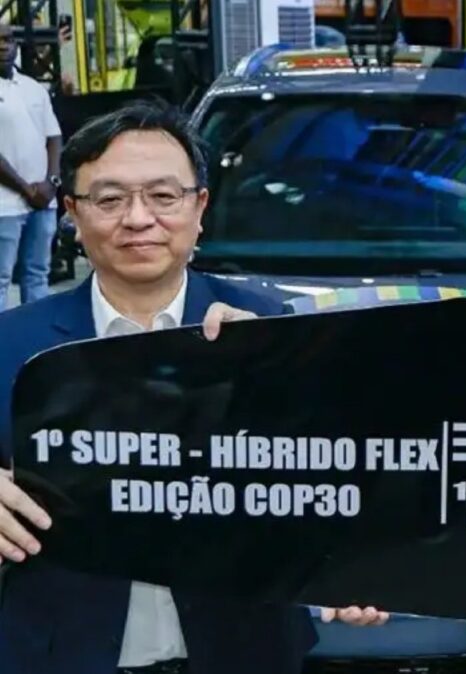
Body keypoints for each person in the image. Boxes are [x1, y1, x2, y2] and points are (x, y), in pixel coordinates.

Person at [0, 100, 386, 674]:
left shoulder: (278, 329)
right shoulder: (11, 345)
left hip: (244, 653)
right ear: (72, 213)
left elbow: (354, 475)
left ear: (199, 207)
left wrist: (359, 564)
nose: (138, 218)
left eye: (163, 195)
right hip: (59, 655)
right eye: (109, 199)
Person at [0, 22, 62, 310]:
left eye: (8, 39)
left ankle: (36, 335)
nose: (4, 46)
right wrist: (26, 189)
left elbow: (54, 137)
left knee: (37, 275)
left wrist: (52, 182)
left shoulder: (33, 88)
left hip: (43, 201)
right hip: (5, 205)